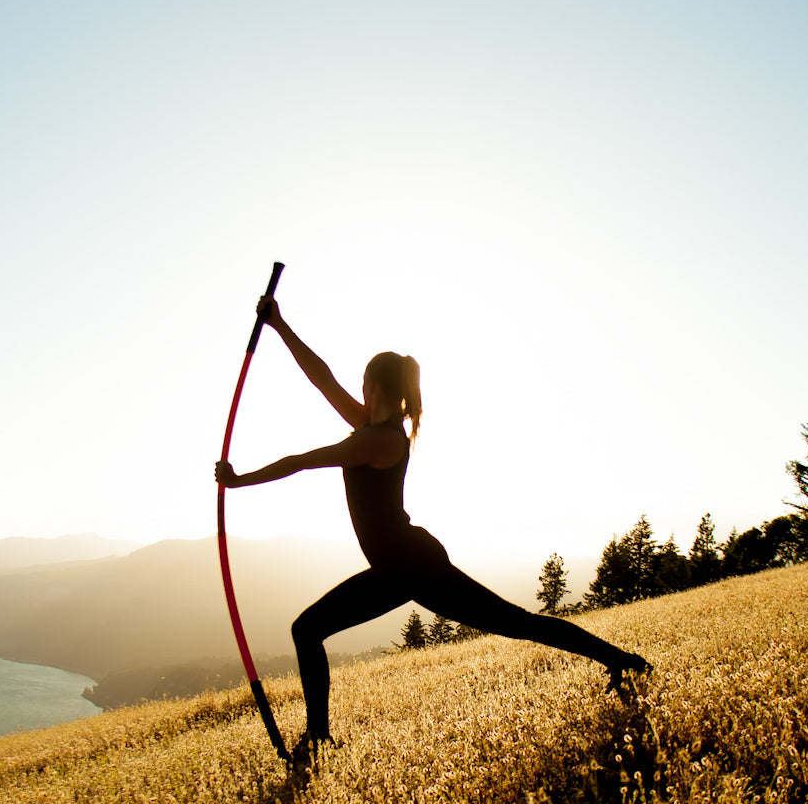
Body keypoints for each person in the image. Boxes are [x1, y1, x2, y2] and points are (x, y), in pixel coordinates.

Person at [215, 296, 652, 761]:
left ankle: (624, 663)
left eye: (362, 381)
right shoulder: (370, 426)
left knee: (513, 623)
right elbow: (322, 378)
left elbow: (304, 461)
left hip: (411, 566)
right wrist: (280, 325)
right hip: (398, 566)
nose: (355, 387)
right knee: (309, 629)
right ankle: (320, 739)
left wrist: (241, 481)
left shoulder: (379, 440)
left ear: (375, 385)